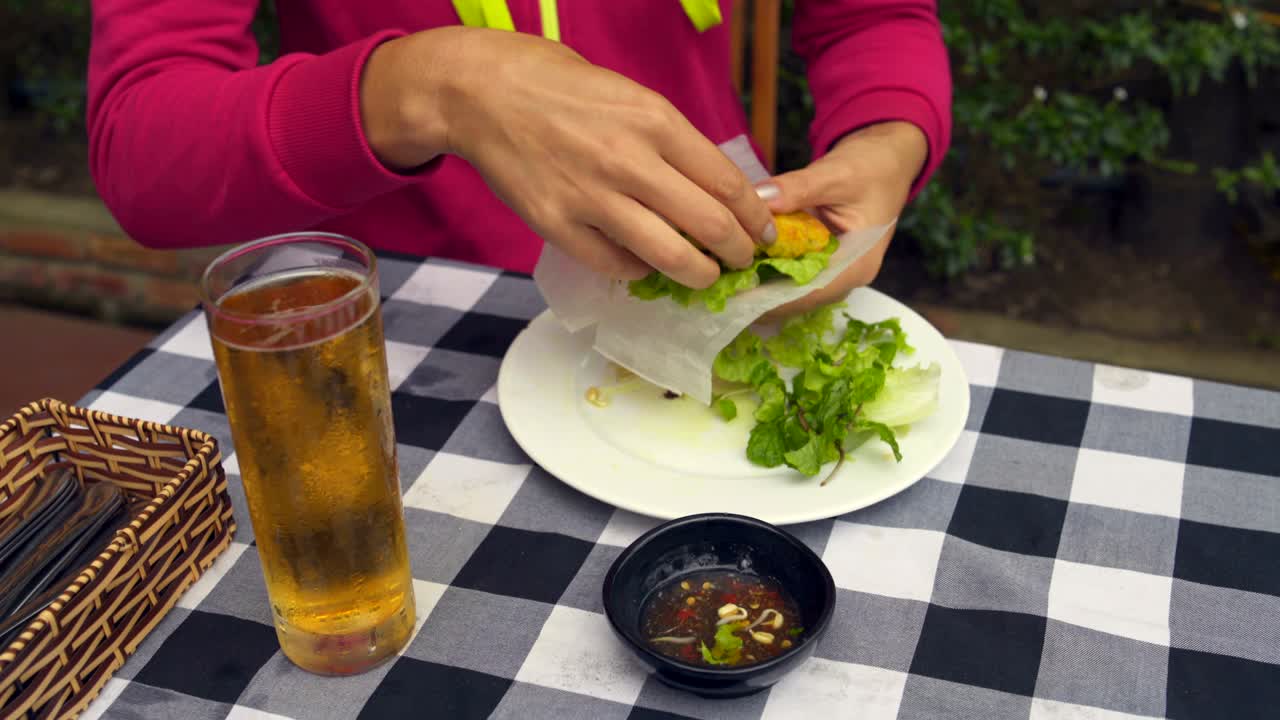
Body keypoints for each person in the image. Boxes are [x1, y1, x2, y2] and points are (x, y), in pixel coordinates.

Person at [86, 1, 951, 316]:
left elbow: (873, 17)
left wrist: (887, 138)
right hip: (410, 318)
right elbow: (142, 143)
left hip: (715, 288)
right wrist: (433, 85)